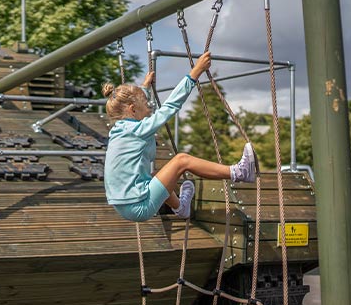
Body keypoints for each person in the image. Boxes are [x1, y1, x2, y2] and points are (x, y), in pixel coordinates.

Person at [102, 51, 256, 223]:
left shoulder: (119, 131)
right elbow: (170, 106)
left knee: (155, 175)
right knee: (182, 160)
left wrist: (144, 87)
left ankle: (180, 208)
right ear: (132, 110)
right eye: (146, 104)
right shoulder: (137, 129)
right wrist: (194, 73)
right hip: (139, 206)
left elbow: (136, 103)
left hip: (124, 206)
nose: (150, 108)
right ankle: (239, 172)